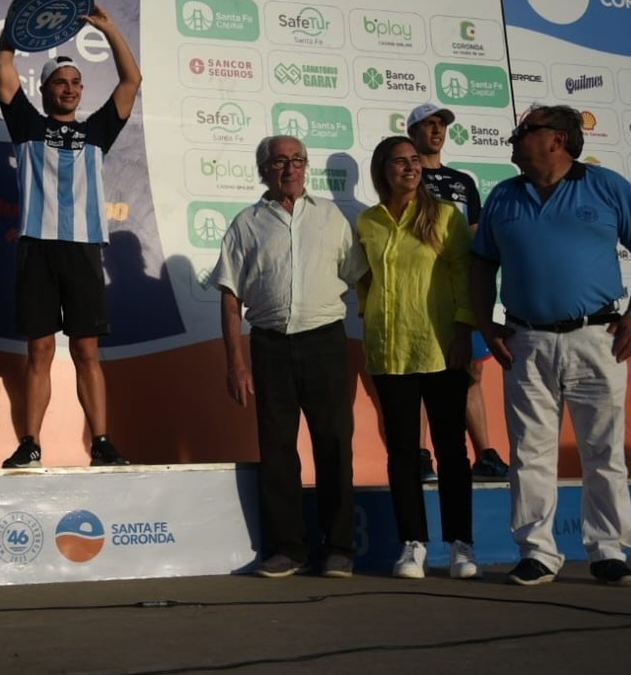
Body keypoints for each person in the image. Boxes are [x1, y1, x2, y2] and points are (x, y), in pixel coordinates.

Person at [471, 104, 631, 588]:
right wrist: (484, 323)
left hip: (598, 337)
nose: (512, 139)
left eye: (523, 132)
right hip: (525, 339)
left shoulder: (607, 185)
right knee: (530, 452)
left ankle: (608, 552)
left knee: (603, 448)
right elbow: (480, 266)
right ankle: (537, 552)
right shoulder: (504, 196)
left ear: (556, 139)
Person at [0, 0, 142, 469]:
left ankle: (101, 441)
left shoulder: (96, 130)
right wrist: (21, 10)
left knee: (87, 350)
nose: (70, 88)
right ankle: (30, 443)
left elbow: (131, 81)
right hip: (37, 247)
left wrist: (110, 28)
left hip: (81, 249)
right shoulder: (26, 125)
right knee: (38, 350)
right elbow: (4, 66)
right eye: (61, 82)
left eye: (76, 82)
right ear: (45, 89)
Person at [213, 135, 368, 577]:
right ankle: (289, 549)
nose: (290, 169)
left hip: (325, 342)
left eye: (298, 160)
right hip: (270, 345)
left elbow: (359, 278)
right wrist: (235, 362)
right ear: (263, 169)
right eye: (280, 161)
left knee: (334, 443)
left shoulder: (332, 217)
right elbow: (229, 298)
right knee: (278, 448)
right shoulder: (247, 223)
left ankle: (339, 547)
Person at [357, 135, 477, 580]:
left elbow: (466, 277)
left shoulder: (445, 216)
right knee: (403, 453)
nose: (410, 168)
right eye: (399, 162)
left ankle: (461, 544)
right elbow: (365, 281)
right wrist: (366, 319)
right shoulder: (368, 222)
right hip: (391, 353)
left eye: (415, 161)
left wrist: (465, 330)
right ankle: (413, 544)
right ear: (382, 170)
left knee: (451, 451)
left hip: (442, 348)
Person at [406, 102, 510, 481]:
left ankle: (486, 455)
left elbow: (478, 230)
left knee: (471, 373)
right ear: (412, 131)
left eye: (441, 125)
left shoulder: (463, 181)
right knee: (419, 370)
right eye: (428, 124)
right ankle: (420, 455)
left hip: (463, 288)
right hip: (423, 289)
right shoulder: (406, 175)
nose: (436, 131)